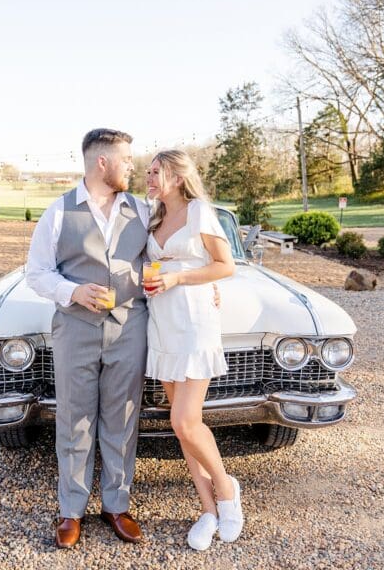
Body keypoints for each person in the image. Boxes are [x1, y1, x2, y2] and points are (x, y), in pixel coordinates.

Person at [26, 128, 149, 549]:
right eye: (127, 159)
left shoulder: (144, 211)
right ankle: (70, 510)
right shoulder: (58, 212)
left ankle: (116, 504)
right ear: (103, 162)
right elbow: (36, 273)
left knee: (122, 417)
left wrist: (204, 284)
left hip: (130, 327)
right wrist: (73, 292)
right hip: (75, 328)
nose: (132, 166)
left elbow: (169, 258)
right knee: (75, 418)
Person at [143, 150, 241, 551]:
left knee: (186, 420)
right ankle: (207, 510)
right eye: (147, 171)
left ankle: (227, 489)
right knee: (182, 427)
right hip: (161, 324)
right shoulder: (153, 217)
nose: (148, 177)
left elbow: (225, 265)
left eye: (155, 172)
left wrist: (179, 278)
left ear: (177, 177)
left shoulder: (199, 211)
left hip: (195, 322)